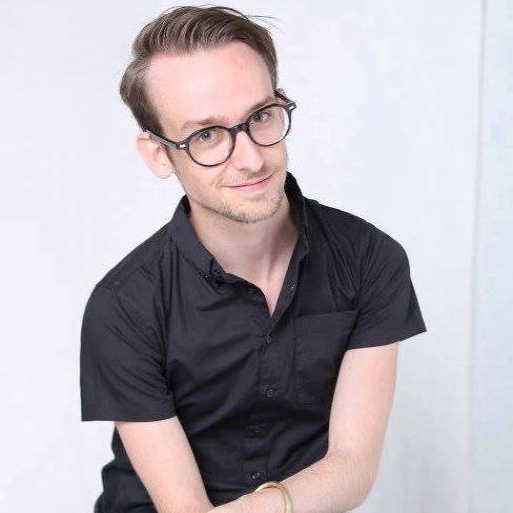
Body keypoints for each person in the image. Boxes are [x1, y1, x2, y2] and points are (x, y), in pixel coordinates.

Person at [80, 5, 428, 513]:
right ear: (159, 154)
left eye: (261, 116)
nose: (251, 158)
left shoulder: (370, 260)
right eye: (207, 135)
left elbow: (353, 464)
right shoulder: (124, 305)